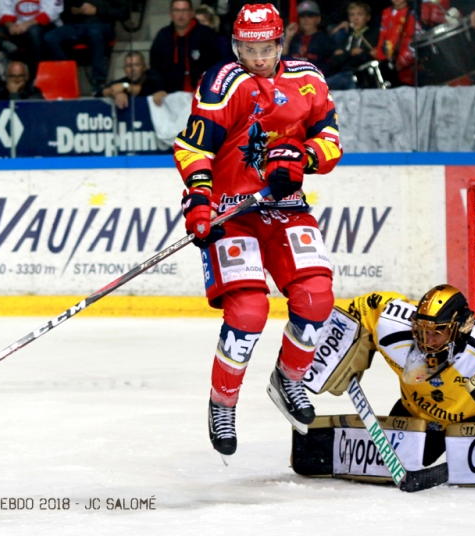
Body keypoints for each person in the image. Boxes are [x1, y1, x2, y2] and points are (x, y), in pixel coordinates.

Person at [173, 3, 342, 462]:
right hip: (233, 211)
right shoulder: (223, 83)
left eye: (266, 48)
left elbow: (330, 141)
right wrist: (201, 198)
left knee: (316, 299)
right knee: (248, 310)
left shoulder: (309, 78)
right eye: (249, 49)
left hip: (284, 207)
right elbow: (192, 146)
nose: (258, 57)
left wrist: (302, 159)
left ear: (280, 43)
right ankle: (223, 404)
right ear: (235, 46)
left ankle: (289, 378)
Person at [343, 285, 475, 466]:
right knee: (382, 467)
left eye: (437, 333)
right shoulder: (392, 326)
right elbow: (364, 308)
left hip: (470, 425)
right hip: (414, 415)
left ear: (460, 330)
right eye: (421, 331)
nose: (426, 342)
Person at [43, 0, 129, 92]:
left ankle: (99, 80)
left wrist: (97, 11)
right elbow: (62, 13)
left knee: (94, 32)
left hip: (102, 24)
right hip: (76, 26)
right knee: (50, 37)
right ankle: (66, 76)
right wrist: (72, 11)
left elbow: (123, 13)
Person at [149, 0, 223, 97]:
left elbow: (216, 64)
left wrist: (205, 84)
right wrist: (159, 88)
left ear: (192, 12)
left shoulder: (205, 34)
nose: (181, 15)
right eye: (176, 10)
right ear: (170, 13)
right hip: (171, 96)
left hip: (203, 93)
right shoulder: (163, 36)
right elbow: (156, 66)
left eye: (184, 10)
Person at [0, 0, 63, 76]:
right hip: (17, 26)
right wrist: (10, 25)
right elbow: (4, 9)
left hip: (44, 25)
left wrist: (27, 24)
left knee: (34, 32)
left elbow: (53, 11)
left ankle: (35, 74)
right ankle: (6, 74)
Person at [326, 2, 379, 89]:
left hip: (361, 77)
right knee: (319, 88)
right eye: (352, 15)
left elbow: (364, 58)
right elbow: (334, 61)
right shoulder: (347, 36)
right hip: (342, 74)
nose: (355, 19)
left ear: (368, 17)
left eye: (360, 14)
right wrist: (351, 53)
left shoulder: (372, 35)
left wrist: (344, 54)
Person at [282, 0, 335, 76]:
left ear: (318, 19)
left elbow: (330, 65)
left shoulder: (326, 39)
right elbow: (283, 59)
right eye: (302, 16)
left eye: (310, 16)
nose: (306, 19)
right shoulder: (294, 38)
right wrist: (287, 37)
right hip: (293, 78)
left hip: (317, 78)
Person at [373, 0, 419, 86]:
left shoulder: (412, 14)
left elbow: (414, 41)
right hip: (388, 64)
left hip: (406, 66)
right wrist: (378, 52)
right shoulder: (385, 12)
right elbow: (382, 36)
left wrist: (403, 60)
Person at [99, 50, 166, 109]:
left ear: (144, 67)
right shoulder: (124, 81)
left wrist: (125, 87)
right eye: (128, 66)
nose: (133, 69)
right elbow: (99, 93)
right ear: (124, 69)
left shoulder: (155, 78)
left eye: (136, 65)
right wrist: (116, 93)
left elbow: (146, 90)